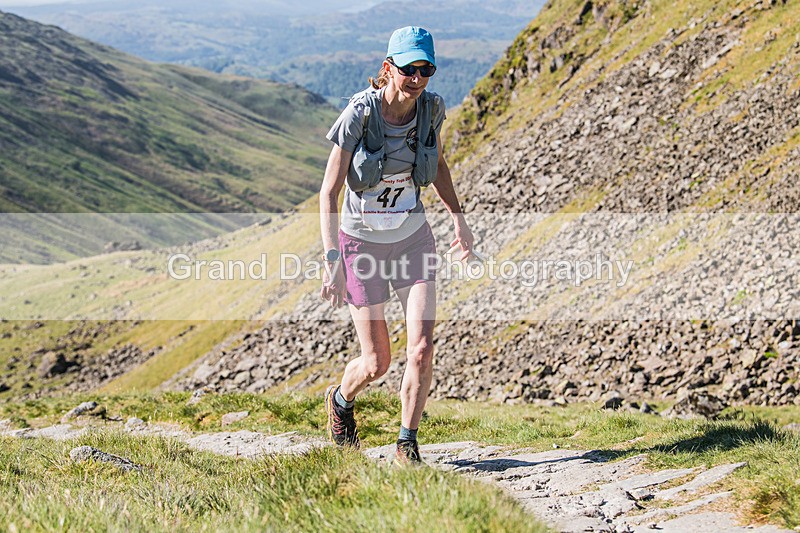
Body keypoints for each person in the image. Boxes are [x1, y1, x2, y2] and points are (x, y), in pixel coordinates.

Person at [319, 26, 475, 465]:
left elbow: (437, 165)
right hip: (360, 246)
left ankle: (407, 443)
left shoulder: (432, 109)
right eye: (409, 69)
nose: (418, 78)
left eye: (427, 69)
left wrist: (458, 218)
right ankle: (341, 401)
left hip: (412, 239)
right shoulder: (359, 113)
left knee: (421, 348)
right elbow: (328, 193)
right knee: (376, 363)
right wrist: (333, 260)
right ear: (388, 68)